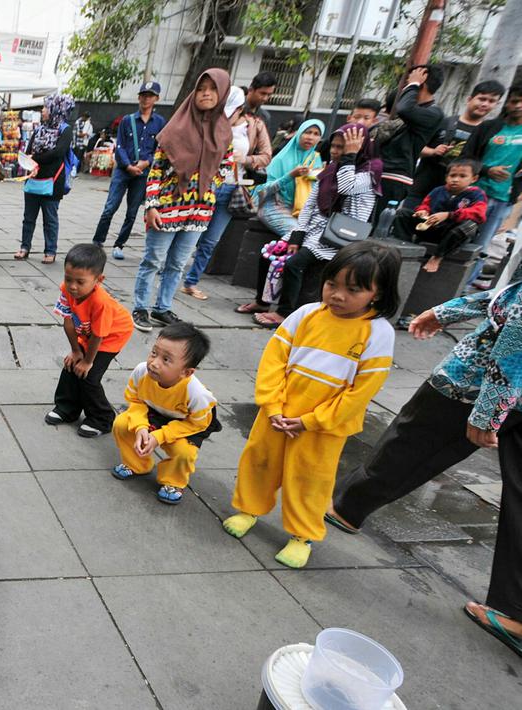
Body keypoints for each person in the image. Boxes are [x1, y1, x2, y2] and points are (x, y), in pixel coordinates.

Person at [325, 280, 522, 657]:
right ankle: (516, 610)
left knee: (411, 442)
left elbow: (516, 340)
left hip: (477, 382)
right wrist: (450, 310)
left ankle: (347, 508)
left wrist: (488, 411)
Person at [222, 241, 401, 569]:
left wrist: (312, 421)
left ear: (377, 293)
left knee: (310, 479)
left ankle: (302, 534)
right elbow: (274, 360)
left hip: (323, 427)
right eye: (332, 284)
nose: (337, 295)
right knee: (259, 462)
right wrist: (272, 405)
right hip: (278, 413)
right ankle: (249, 509)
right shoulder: (305, 314)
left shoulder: (378, 333)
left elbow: (361, 391)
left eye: (353, 289)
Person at [240, 123, 381, 326]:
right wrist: (296, 236)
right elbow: (309, 206)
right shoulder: (330, 169)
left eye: (342, 147)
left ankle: (285, 313)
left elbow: (346, 186)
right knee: (269, 254)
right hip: (315, 230)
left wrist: (350, 157)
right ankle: (262, 302)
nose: (335, 151)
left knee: (293, 264)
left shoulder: (369, 171)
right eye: (334, 146)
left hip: (340, 237)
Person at [131, 68, 236, 333]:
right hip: (167, 208)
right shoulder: (174, 128)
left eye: (212, 89)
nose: (206, 94)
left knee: (177, 263)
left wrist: (207, 189)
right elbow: (155, 169)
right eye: (201, 89)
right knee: (153, 261)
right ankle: (140, 307)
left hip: (199, 211)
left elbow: (226, 167)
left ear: (222, 93)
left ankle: (162, 308)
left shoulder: (224, 132)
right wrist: (152, 205)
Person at [111, 322, 219, 505]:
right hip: (153, 410)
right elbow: (135, 400)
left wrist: (159, 436)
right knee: (121, 424)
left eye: (166, 359)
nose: (154, 363)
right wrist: (140, 427)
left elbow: (197, 424)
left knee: (184, 452)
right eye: (154, 353)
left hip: (185, 422)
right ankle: (137, 464)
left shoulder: (198, 395)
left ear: (187, 372)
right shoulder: (141, 372)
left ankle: (173, 482)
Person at [46, 244, 134, 438]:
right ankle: (67, 409)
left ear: (98, 280)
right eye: (68, 279)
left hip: (112, 334)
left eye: (80, 281)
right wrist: (76, 351)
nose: (72, 286)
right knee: (71, 364)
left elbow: (99, 335)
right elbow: (68, 322)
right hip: (88, 332)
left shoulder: (101, 303)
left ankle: (102, 419)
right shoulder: (67, 290)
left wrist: (87, 361)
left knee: (89, 375)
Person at [179, 86, 249, 301]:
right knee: (190, 232)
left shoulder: (252, 127)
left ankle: (191, 282)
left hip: (230, 189)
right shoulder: (210, 125)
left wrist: (246, 159)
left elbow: (266, 155)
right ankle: (173, 269)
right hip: (207, 186)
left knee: (210, 241)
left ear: (240, 109)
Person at [91, 81, 166, 259]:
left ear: (156, 98)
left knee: (132, 212)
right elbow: (120, 146)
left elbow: (160, 149)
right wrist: (128, 165)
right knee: (110, 207)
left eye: (150, 95)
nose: (146, 99)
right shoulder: (127, 120)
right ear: (139, 97)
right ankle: (97, 242)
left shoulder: (160, 123)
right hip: (124, 170)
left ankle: (119, 245)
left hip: (143, 173)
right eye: (143, 95)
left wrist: (145, 163)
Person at [404, 80, 504, 209]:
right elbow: (415, 147)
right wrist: (433, 152)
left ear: (497, 104)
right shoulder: (443, 122)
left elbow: (482, 164)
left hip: (456, 199)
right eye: (482, 99)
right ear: (469, 99)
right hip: (421, 190)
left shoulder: (488, 133)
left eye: (491, 101)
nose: (485, 104)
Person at [462, 83, 522, 288]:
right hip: (476, 194)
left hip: (504, 198)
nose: (519, 106)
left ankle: (463, 288)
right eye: (515, 101)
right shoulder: (488, 128)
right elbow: (466, 158)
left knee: (483, 246)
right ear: (507, 103)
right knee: (462, 237)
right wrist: (487, 170)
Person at [395, 158, 488, 273]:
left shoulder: (477, 194)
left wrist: (450, 215)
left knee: (470, 225)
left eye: (462, 176)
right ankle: (403, 248)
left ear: (474, 178)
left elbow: (479, 214)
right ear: (446, 177)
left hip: (453, 234)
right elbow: (425, 205)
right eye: (452, 175)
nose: (455, 180)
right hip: (432, 228)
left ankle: (437, 257)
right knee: (402, 213)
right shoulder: (438, 190)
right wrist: (423, 212)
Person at [377, 65, 446, 219]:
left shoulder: (433, 113)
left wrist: (413, 83)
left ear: (422, 83)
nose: (405, 88)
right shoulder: (417, 109)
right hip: (381, 170)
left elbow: (404, 108)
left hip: (395, 175)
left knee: (375, 225)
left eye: (408, 83)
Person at [17, 92, 76, 264]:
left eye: (45, 107)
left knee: (50, 219)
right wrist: (30, 159)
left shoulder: (65, 130)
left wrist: (36, 158)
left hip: (53, 181)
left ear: (56, 109)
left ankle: (50, 250)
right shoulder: (39, 129)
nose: (43, 110)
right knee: (28, 217)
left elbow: (58, 154)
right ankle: (24, 247)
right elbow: (28, 151)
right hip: (34, 179)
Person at [255, 119, 325, 241]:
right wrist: (290, 175)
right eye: (307, 132)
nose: (310, 137)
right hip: (275, 206)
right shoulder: (281, 159)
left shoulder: (315, 159)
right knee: (299, 237)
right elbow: (265, 190)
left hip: (302, 211)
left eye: (316, 134)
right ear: (299, 133)